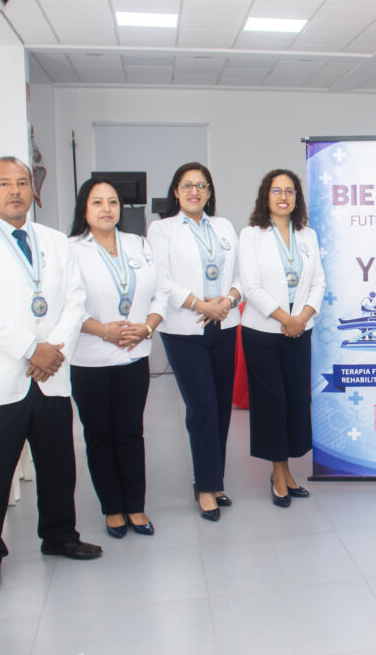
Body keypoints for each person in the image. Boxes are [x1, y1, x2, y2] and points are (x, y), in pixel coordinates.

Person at [0, 157, 102, 595]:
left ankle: (59, 536)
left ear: (33, 191)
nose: (15, 191)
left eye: (22, 183)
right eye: (4, 184)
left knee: (58, 466)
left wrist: (53, 350)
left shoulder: (54, 241)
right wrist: (33, 349)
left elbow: (75, 300)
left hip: (50, 376)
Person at [68, 177, 168, 538]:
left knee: (130, 432)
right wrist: (104, 330)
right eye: (97, 202)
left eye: (112, 202)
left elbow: (162, 292)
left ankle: (136, 506)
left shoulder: (138, 244)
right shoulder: (70, 250)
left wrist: (147, 327)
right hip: (90, 359)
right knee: (99, 435)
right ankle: (112, 508)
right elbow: (68, 307)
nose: (107, 209)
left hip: (134, 355)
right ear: (85, 209)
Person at [147, 162, 242, 522]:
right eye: (187, 185)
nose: (194, 191)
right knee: (201, 407)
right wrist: (201, 304)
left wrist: (227, 302)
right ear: (175, 191)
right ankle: (204, 486)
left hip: (225, 324)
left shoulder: (223, 227)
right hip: (185, 328)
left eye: (201, 185)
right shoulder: (161, 229)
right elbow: (162, 279)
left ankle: (214, 479)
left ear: (209, 192)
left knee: (220, 407)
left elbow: (239, 275)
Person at [238, 170, 325, 506]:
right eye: (277, 190)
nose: (284, 197)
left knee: (294, 403)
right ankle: (277, 473)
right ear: (266, 196)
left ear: (297, 198)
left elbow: (318, 281)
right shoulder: (251, 235)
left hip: (299, 332)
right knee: (271, 404)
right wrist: (285, 318)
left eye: (290, 191)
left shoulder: (308, 235)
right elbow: (251, 286)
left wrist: (301, 318)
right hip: (262, 332)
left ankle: (288, 470)